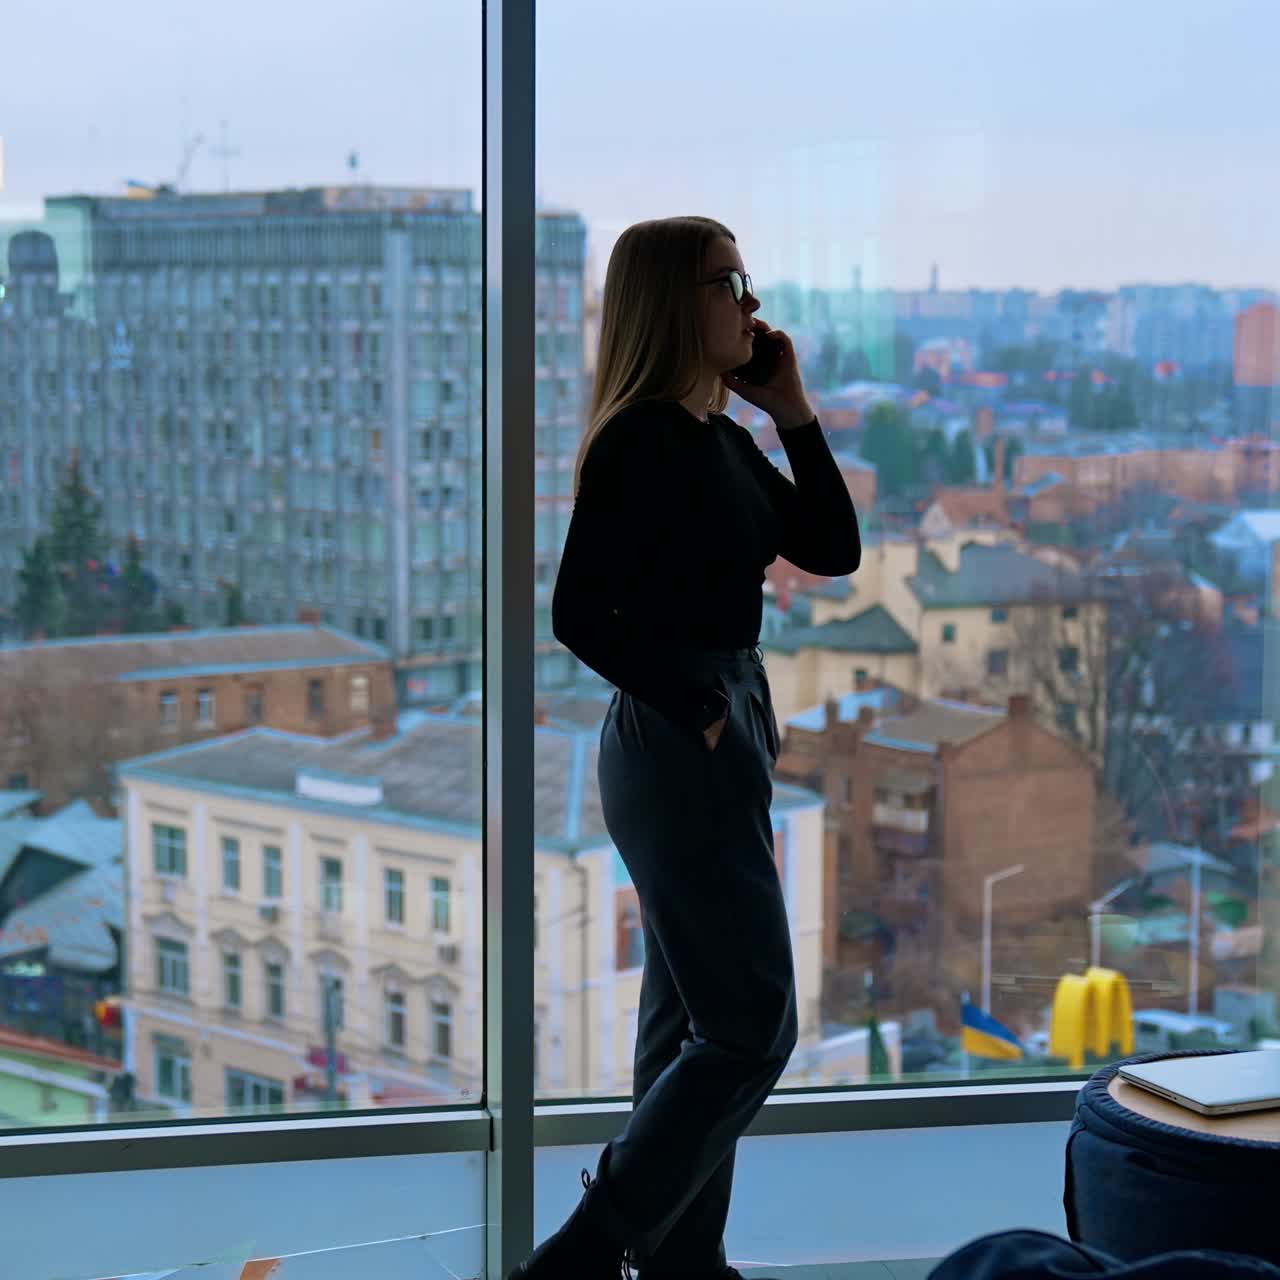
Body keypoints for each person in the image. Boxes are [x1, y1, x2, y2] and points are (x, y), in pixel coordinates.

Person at [509, 216, 861, 1280]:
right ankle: (582, 1255)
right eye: (727, 283)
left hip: (719, 722)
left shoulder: (718, 438)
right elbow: (576, 612)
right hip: (678, 733)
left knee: (690, 1024)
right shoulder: (635, 437)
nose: (749, 305)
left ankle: (679, 1261)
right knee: (752, 1022)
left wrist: (788, 407)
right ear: (672, 300)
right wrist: (693, 702)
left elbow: (832, 548)